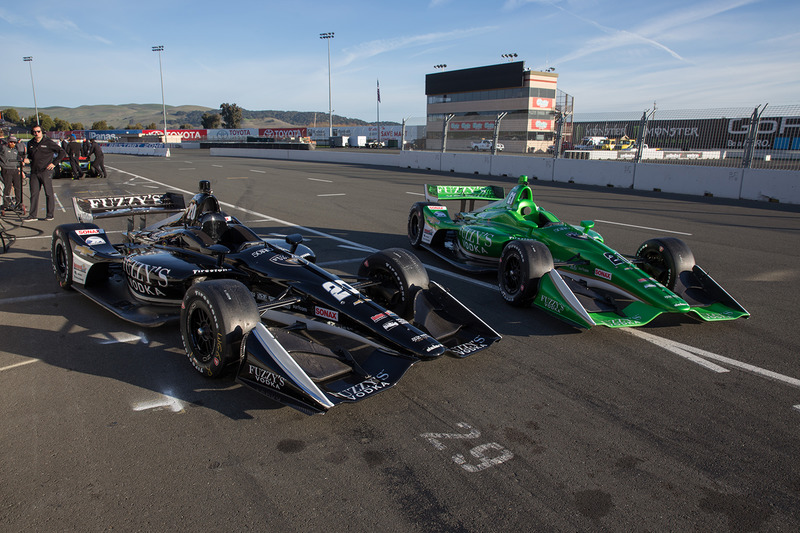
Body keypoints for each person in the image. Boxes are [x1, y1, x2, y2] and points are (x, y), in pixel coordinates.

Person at [22, 126, 66, 221]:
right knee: (34, 194)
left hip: (45, 172)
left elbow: (62, 152)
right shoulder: (30, 143)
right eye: (34, 132)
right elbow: (30, 157)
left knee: (48, 193)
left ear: (42, 132)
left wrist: (54, 163)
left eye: (38, 131)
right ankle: (32, 215)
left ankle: (50, 215)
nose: (36, 133)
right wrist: (27, 160)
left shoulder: (48, 142)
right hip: (34, 172)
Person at [0, 136, 25, 213]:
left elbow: (19, 161)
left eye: (14, 142)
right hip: (6, 169)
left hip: (15, 170)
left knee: (18, 187)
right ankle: (6, 204)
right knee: (7, 187)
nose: (12, 143)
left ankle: (19, 203)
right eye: (11, 142)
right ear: (8, 142)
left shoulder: (16, 150)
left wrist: (21, 170)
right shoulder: (3, 148)